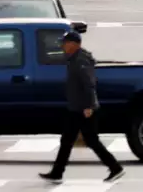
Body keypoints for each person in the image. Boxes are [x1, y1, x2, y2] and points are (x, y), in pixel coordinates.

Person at [40, 31, 123, 183]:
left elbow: (89, 83)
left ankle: (115, 168)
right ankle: (57, 173)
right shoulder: (73, 58)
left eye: (65, 43)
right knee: (67, 140)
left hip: (84, 109)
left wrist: (89, 106)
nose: (63, 45)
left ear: (74, 44)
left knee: (91, 140)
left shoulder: (81, 59)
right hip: (76, 107)